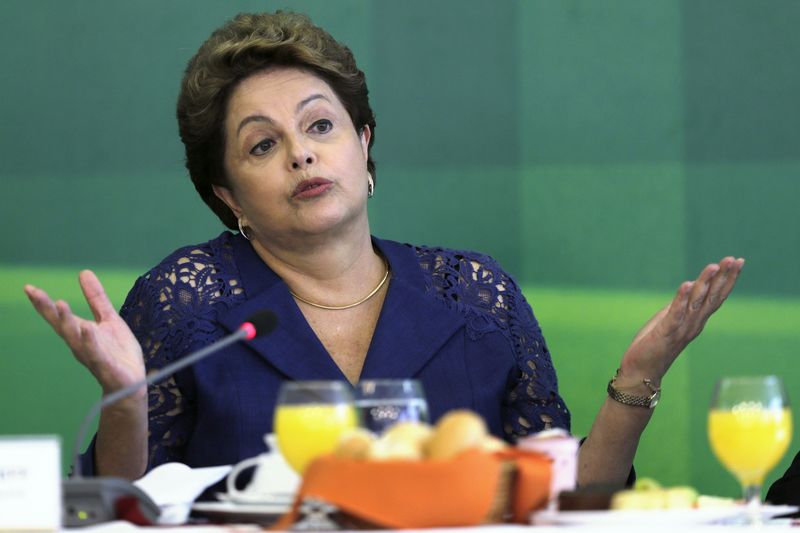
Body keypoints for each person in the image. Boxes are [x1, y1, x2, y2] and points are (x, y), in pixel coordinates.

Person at [24, 11, 743, 487]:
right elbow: (116, 511)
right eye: (264, 145)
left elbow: (564, 503)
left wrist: (638, 377)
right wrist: (122, 400)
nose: (302, 156)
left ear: (364, 146)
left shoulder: (476, 296)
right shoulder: (189, 303)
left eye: (321, 127)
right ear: (228, 196)